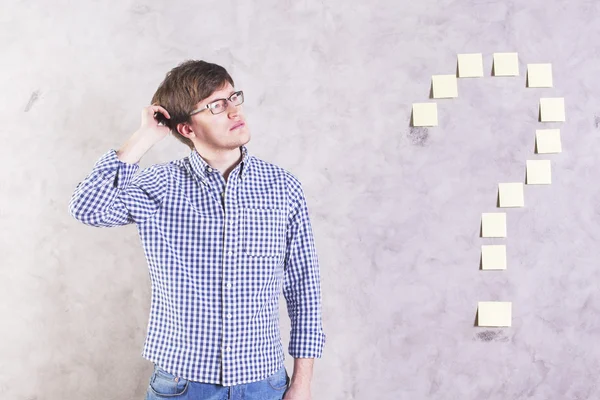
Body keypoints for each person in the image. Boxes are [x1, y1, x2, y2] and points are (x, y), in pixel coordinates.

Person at [68, 60, 326, 400]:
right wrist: (144, 137)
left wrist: (302, 383)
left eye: (234, 98)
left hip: (264, 384)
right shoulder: (158, 185)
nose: (235, 111)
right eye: (217, 106)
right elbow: (87, 207)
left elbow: (304, 286)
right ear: (187, 128)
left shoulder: (282, 187)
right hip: (184, 386)